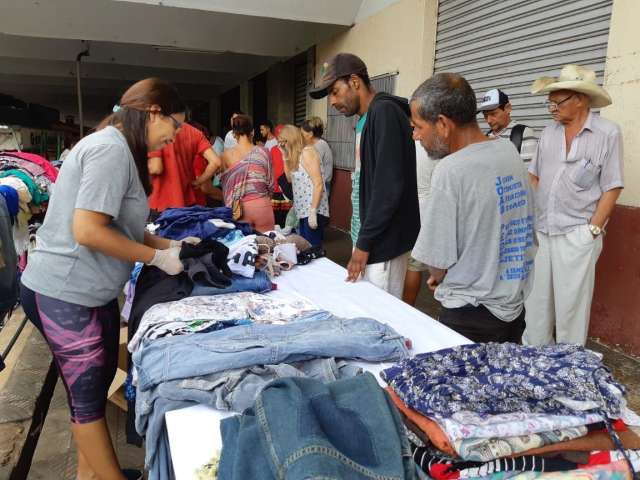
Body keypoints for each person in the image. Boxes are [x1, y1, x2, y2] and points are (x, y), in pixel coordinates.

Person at [19, 78, 198, 480]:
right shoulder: (109, 150)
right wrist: (156, 258)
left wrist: (171, 244)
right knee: (85, 402)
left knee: (94, 396)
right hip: (64, 294)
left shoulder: (120, 150)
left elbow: (124, 227)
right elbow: (89, 231)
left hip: (87, 294)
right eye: (174, 126)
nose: (173, 138)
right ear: (154, 112)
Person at [410, 73, 535, 343]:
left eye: (418, 126)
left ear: (442, 124)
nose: (415, 136)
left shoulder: (450, 170)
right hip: (512, 310)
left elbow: (436, 263)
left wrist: (439, 275)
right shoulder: (508, 152)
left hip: (470, 317)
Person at [523, 64, 624, 346]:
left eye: (558, 101)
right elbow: (534, 176)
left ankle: (567, 370)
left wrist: (592, 231)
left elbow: (612, 185)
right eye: (550, 102)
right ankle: (534, 363)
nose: (552, 108)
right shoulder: (548, 133)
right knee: (536, 307)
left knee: (571, 311)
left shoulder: (607, 133)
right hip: (542, 231)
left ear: (581, 99)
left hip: (577, 234)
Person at [309, 53, 419, 298]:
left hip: (383, 244)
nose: (332, 102)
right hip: (370, 240)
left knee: (383, 318)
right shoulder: (366, 120)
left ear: (355, 82)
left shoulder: (384, 113)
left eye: (335, 92)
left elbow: (388, 186)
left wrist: (364, 243)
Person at [147, 121, 222, 215]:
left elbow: (155, 168)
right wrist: (198, 182)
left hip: (161, 205)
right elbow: (216, 162)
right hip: (188, 206)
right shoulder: (194, 133)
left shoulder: (154, 131)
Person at [220, 114, 275, 232]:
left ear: (234, 134)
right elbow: (271, 184)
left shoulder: (225, 156)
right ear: (253, 132)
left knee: (241, 246)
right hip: (262, 205)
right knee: (267, 246)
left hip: (237, 207)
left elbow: (225, 186)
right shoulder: (264, 152)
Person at [278, 124, 329, 247]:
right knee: (305, 249)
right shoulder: (297, 155)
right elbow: (289, 179)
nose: (281, 145)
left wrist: (313, 211)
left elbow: (318, 183)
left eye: (283, 142)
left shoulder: (307, 152)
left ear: (290, 140)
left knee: (313, 250)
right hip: (302, 210)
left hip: (312, 209)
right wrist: (284, 155)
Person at [402, 138, 439, 306]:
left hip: (404, 209)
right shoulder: (437, 150)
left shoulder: (404, 145)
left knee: (404, 261)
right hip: (425, 211)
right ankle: (408, 307)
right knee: (414, 265)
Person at [477, 89, 538, 165]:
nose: (488, 120)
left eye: (493, 114)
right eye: (485, 116)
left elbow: (529, 174)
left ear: (507, 108)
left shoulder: (522, 133)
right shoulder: (486, 138)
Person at [301, 116, 334, 195]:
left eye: (302, 133)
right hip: (318, 184)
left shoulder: (319, 145)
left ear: (310, 134)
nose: (301, 135)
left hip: (320, 185)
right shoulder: (317, 144)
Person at [270, 124, 292, 228]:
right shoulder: (273, 149)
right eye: (278, 137)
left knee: (287, 215)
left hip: (287, 186)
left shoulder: (291, 149)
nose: (280, 140)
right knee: (276, 215)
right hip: (275, 187)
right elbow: (271, 167)